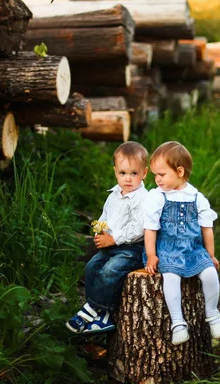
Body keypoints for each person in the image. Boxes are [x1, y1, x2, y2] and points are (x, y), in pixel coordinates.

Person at [143, 141, 220, 345]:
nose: (157, 179)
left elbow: (207, 229)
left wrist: (210, 254)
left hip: (193, 249)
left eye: (161, 174)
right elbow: (150, 228)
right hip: (167, 249)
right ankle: (178, 323)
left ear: (179, 171)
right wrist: (152, 254)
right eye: (155, 174)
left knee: (209, 273)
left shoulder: (197, 198)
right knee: (171, 277)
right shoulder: (157, 197)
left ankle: (212, 313)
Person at [66, 141, 149, 334]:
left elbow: (139, 228)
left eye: (134, 173)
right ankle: (99, 313)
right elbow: (105, 216)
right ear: (115, 172)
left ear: (144, 173)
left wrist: (113, 239)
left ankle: (94, 311)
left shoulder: (143, 198)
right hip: (111, 245)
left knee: (110, 270)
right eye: (123, 173)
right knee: (92, 267)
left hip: (132, 249)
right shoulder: (113, 195)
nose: (128, 179)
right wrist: (100, 231)